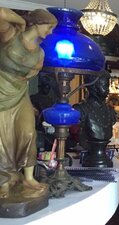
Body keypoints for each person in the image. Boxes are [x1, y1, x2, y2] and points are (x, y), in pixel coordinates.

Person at [0, 8, 57, 198]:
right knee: (4, 139)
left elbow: (28, 77)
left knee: (28, 132)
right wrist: (21, 22)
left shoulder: (40, 53)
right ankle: (5, 181)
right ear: (37, 23)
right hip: (1, 93)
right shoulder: (11, 35)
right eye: (48, 27)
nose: (50, 33)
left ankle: (28, 177)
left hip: (20, 94)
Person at [73, 70, 116, 153]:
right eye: (105, 86)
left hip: (103, 156)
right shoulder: (80, 109)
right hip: (89, 155)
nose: (108, 90)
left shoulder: (110, 110)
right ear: (93, 87)